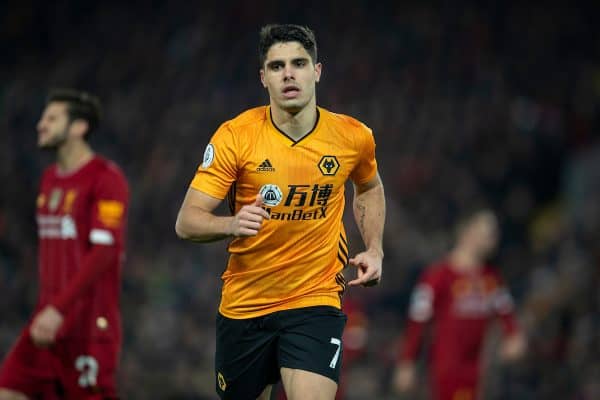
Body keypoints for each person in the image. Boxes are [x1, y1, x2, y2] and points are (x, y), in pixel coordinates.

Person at [175, 24, 385, 400]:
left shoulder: (353, 137)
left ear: (317, 71)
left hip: (314, 299)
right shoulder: (236, 137)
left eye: (299, 63)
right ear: (263, 78)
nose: (289, 73)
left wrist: (374, 248)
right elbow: (187, 222)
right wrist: (232, 223)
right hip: (246, 304)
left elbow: (368, 186)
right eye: (277, 66)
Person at [0, 89, 129, 399]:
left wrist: (58, 309)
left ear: (78, 127)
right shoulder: (49, 179)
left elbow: (105, 251)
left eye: (51, 118)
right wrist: (50, 310)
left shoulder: (105, 178)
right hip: (45, 323)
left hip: (85, 329)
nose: (40, 125)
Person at [392, 209, 526, 400]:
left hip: (479, 370)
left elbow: (507, 313)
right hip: (447, 368)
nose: (494, 239)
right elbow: (417, 322)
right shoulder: (437, 277)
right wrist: (407, 362)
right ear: (467, 232)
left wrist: (513, 336)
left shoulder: (491, 279)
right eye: (488, 233)